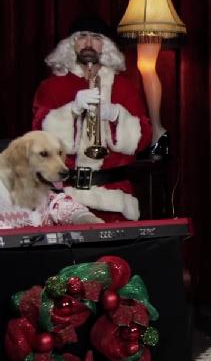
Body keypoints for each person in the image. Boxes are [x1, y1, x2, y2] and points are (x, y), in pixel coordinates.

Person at [32, 15, 152, 222]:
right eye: (82, 37)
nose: (88, 44)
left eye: (95, 37)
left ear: (105, 45)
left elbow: (144, 139)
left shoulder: (125, 87)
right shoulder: (51, 87)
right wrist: (72, 110)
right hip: (65, 198)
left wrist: (117, 116)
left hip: (114, 196)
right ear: (71, 44)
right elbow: (38, 138)